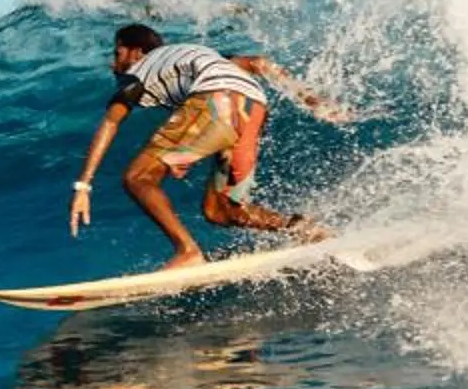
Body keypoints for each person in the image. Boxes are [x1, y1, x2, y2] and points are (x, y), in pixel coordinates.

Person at [67, 23, 341, 269]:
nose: (113, 65)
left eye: (117, 54)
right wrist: (311, 100)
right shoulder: (194, 55)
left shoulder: (138, 72)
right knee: (220, 210)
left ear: (137, 53)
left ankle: (188, 251)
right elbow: (259, 64)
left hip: (216, 98)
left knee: (137, 177)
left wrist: (83, 186)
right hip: (254, 107)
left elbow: (111, 121)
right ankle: (304, 230)